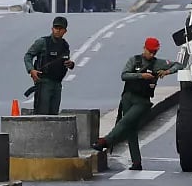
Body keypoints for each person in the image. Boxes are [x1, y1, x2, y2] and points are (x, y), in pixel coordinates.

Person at [96, 37, 183, 170]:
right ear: (144, 48)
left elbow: (179, 65)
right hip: (128, 97)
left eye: (154, 52)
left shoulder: (158, 63)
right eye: (150, 51)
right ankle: (136, 162)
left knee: (125, 122)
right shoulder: (134, 60)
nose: (152, 54)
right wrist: (141, 76)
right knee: (131, 130)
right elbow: (124, 75)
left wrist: (167, 71)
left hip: (142, 101)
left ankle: (105, 141)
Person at [24, 16, 75, 115]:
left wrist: (71, 64)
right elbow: (28, 56)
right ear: (52, 29)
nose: (58, 31)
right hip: (44, 82)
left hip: (57, 84)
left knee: (54, 114)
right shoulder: (43, 42)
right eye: (56, 28)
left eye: (60, 29)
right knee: (42, 113)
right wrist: (31, 70)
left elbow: (66, 61)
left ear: (65, 31)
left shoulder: (65, 45)